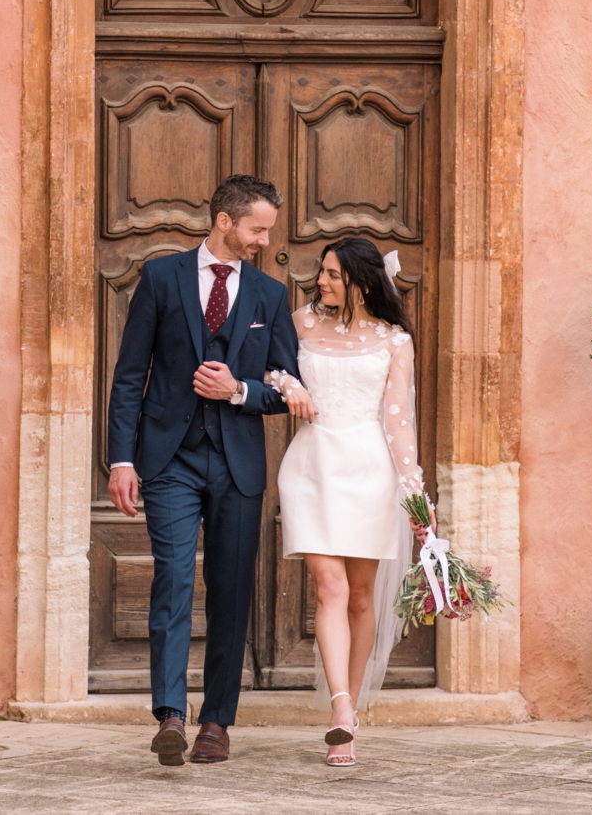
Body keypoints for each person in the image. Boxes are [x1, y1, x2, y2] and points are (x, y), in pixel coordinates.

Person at [106, 174, 298, 768]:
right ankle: (170, 713)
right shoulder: (161, 279)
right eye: (256, 229)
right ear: (224, 220)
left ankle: (216, 720)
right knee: (173, 580)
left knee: (231, 591)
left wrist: (238, 389)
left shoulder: (269, 295)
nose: (264, 241)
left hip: (237, 464)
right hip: (169, 460)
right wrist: (121, 458)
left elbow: (289, 388)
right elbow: (130, 374)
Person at [266, 236, 429, 767]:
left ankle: (350, 713)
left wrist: (416, 500)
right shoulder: (300, 322)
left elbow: (399, 421)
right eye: (323, 273)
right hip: (311, 467)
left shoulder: (394, 340)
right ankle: (340, 711)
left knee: (361, 596)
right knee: (329, 586)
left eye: (333, 275)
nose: (322, 282)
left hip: (370, 471)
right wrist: (288, 383)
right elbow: (267, 363)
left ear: (360, 281)